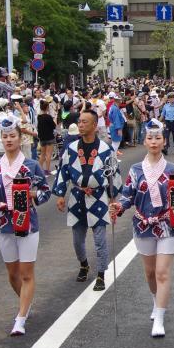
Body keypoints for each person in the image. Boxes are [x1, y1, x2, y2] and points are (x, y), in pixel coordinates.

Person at [0, 117, 51, 336]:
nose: (8, 140)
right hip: (4, 222)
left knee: (26, 273)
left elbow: (45, 192)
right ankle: (25, 302)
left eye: (12, 136)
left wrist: (31, 193)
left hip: (27, 220)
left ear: (20, 137)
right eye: (5, 137)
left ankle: (21, 317)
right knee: (12, 274)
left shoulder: (31, 165)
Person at [111, 119, 174, 338]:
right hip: (143, 225)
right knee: (150, 272)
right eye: (150, 138)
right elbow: (127, 196)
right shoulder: (134, 170)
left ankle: (160, 317)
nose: (153, 142)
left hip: (167, 226)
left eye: (158, 138)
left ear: (164, 141)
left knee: (162, 272)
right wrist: (119, 207)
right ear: (144, 141)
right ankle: (155, 300)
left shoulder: (172, 169)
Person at [52, 109, 118, 291]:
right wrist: (60, 194)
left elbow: (113, 175)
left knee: (100, 240)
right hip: (77, 197)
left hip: (98, 197)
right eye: (79, 122)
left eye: (84, 122)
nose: (80, 125)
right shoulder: (71, 149)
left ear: (95, 126)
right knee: (77, 239)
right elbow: (63, 171)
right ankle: (84, 264)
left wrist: (113, 199)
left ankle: (101, 273)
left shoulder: (106, 149)